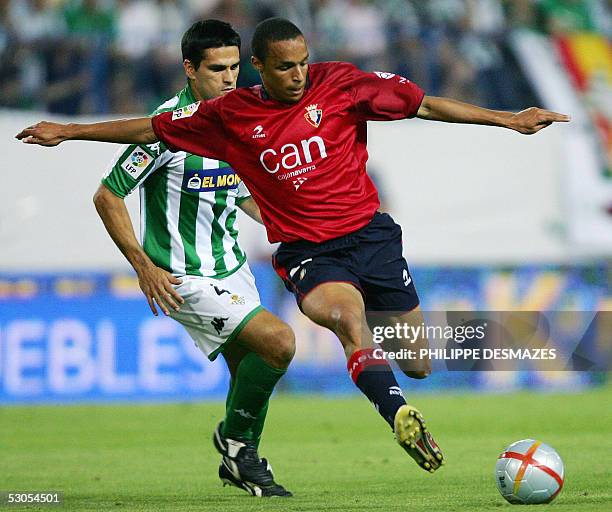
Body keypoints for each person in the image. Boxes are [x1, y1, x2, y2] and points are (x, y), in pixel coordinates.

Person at [17, 17, 570, 475]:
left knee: (418, 360)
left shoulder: (344, 84)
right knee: (344, 323)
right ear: (261, 66)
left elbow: (424, 105)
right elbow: (147, 129)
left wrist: (509, 119)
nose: (299, 73)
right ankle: (395, 412)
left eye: (303, 61)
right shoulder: (230, 116)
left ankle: (390, 383)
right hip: (310, 253)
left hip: (372, 238)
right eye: (285, 65)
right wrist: (67, 130)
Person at [92, 20, 294, 498]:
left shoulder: (240, 117)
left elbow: (242, 194)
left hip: (233, 268)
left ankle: (241, 461)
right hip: (181, 275)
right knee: (280, 343)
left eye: (235, 67)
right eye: (217, 69)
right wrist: (143, 266)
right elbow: (107, 196)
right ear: (189, 69)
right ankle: (237, 445)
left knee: (249, 367)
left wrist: (298, 226)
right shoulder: (167, 128)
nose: (229, 79)